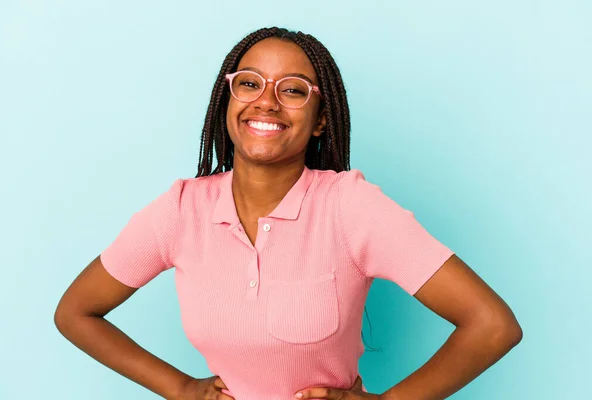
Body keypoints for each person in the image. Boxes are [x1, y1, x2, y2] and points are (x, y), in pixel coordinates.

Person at [54, 27, 523, 400]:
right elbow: (76, 312)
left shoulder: (351, 207)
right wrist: (179, 389)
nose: (266, 100)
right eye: (250, 83)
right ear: (228, 103)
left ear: (320, 117)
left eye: (293, 90)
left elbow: (492, 325)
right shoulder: (181, 210)